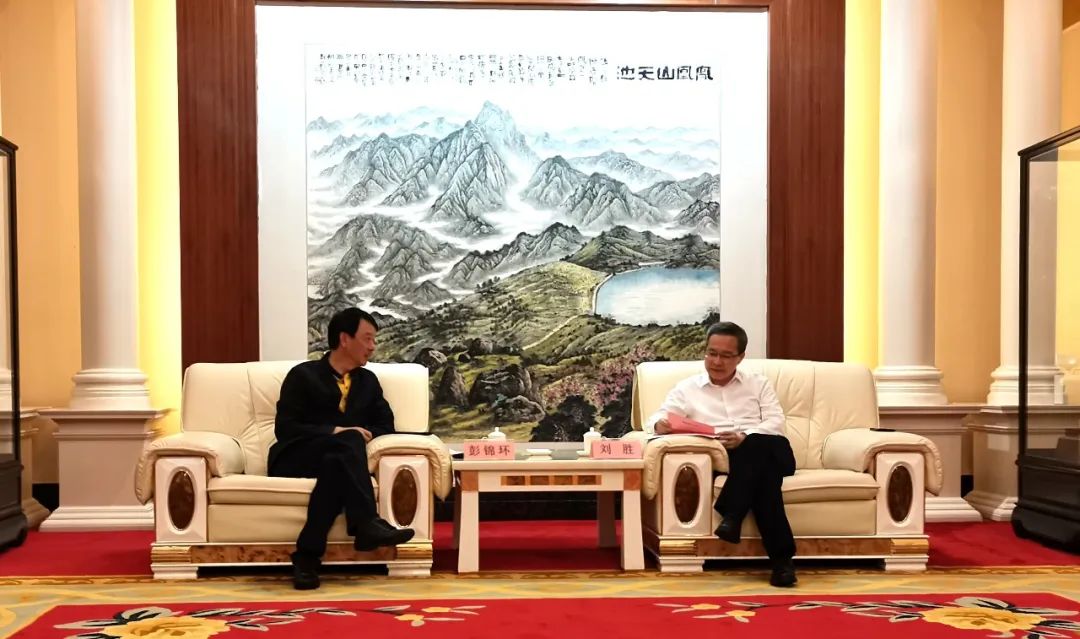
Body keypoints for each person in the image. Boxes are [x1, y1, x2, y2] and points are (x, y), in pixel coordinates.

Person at [269, 307, 414, 590]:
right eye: (368, 338)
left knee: (336, 464)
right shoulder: (303, 375)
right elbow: (285, 428)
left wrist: (358, 436)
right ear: (345, 339)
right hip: (295, 457)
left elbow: (386, 426)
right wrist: (335, 432)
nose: (373, 346)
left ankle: (307, 557)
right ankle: (366, 522)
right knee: (347, 443)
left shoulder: (368, 382)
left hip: (339, 461)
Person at [645, 321, 797, 587]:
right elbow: (658, 417)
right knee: (766, 480)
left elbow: (775, 421)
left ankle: (732, 513)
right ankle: (782, 562)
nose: (716, 361)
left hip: (771, 450)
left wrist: (744, 436)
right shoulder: (687, 388)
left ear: (740, 357)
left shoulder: (758, 384)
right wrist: (660, 424)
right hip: (727, 458)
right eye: (711, 353)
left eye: (726, 355)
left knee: (757, 445)